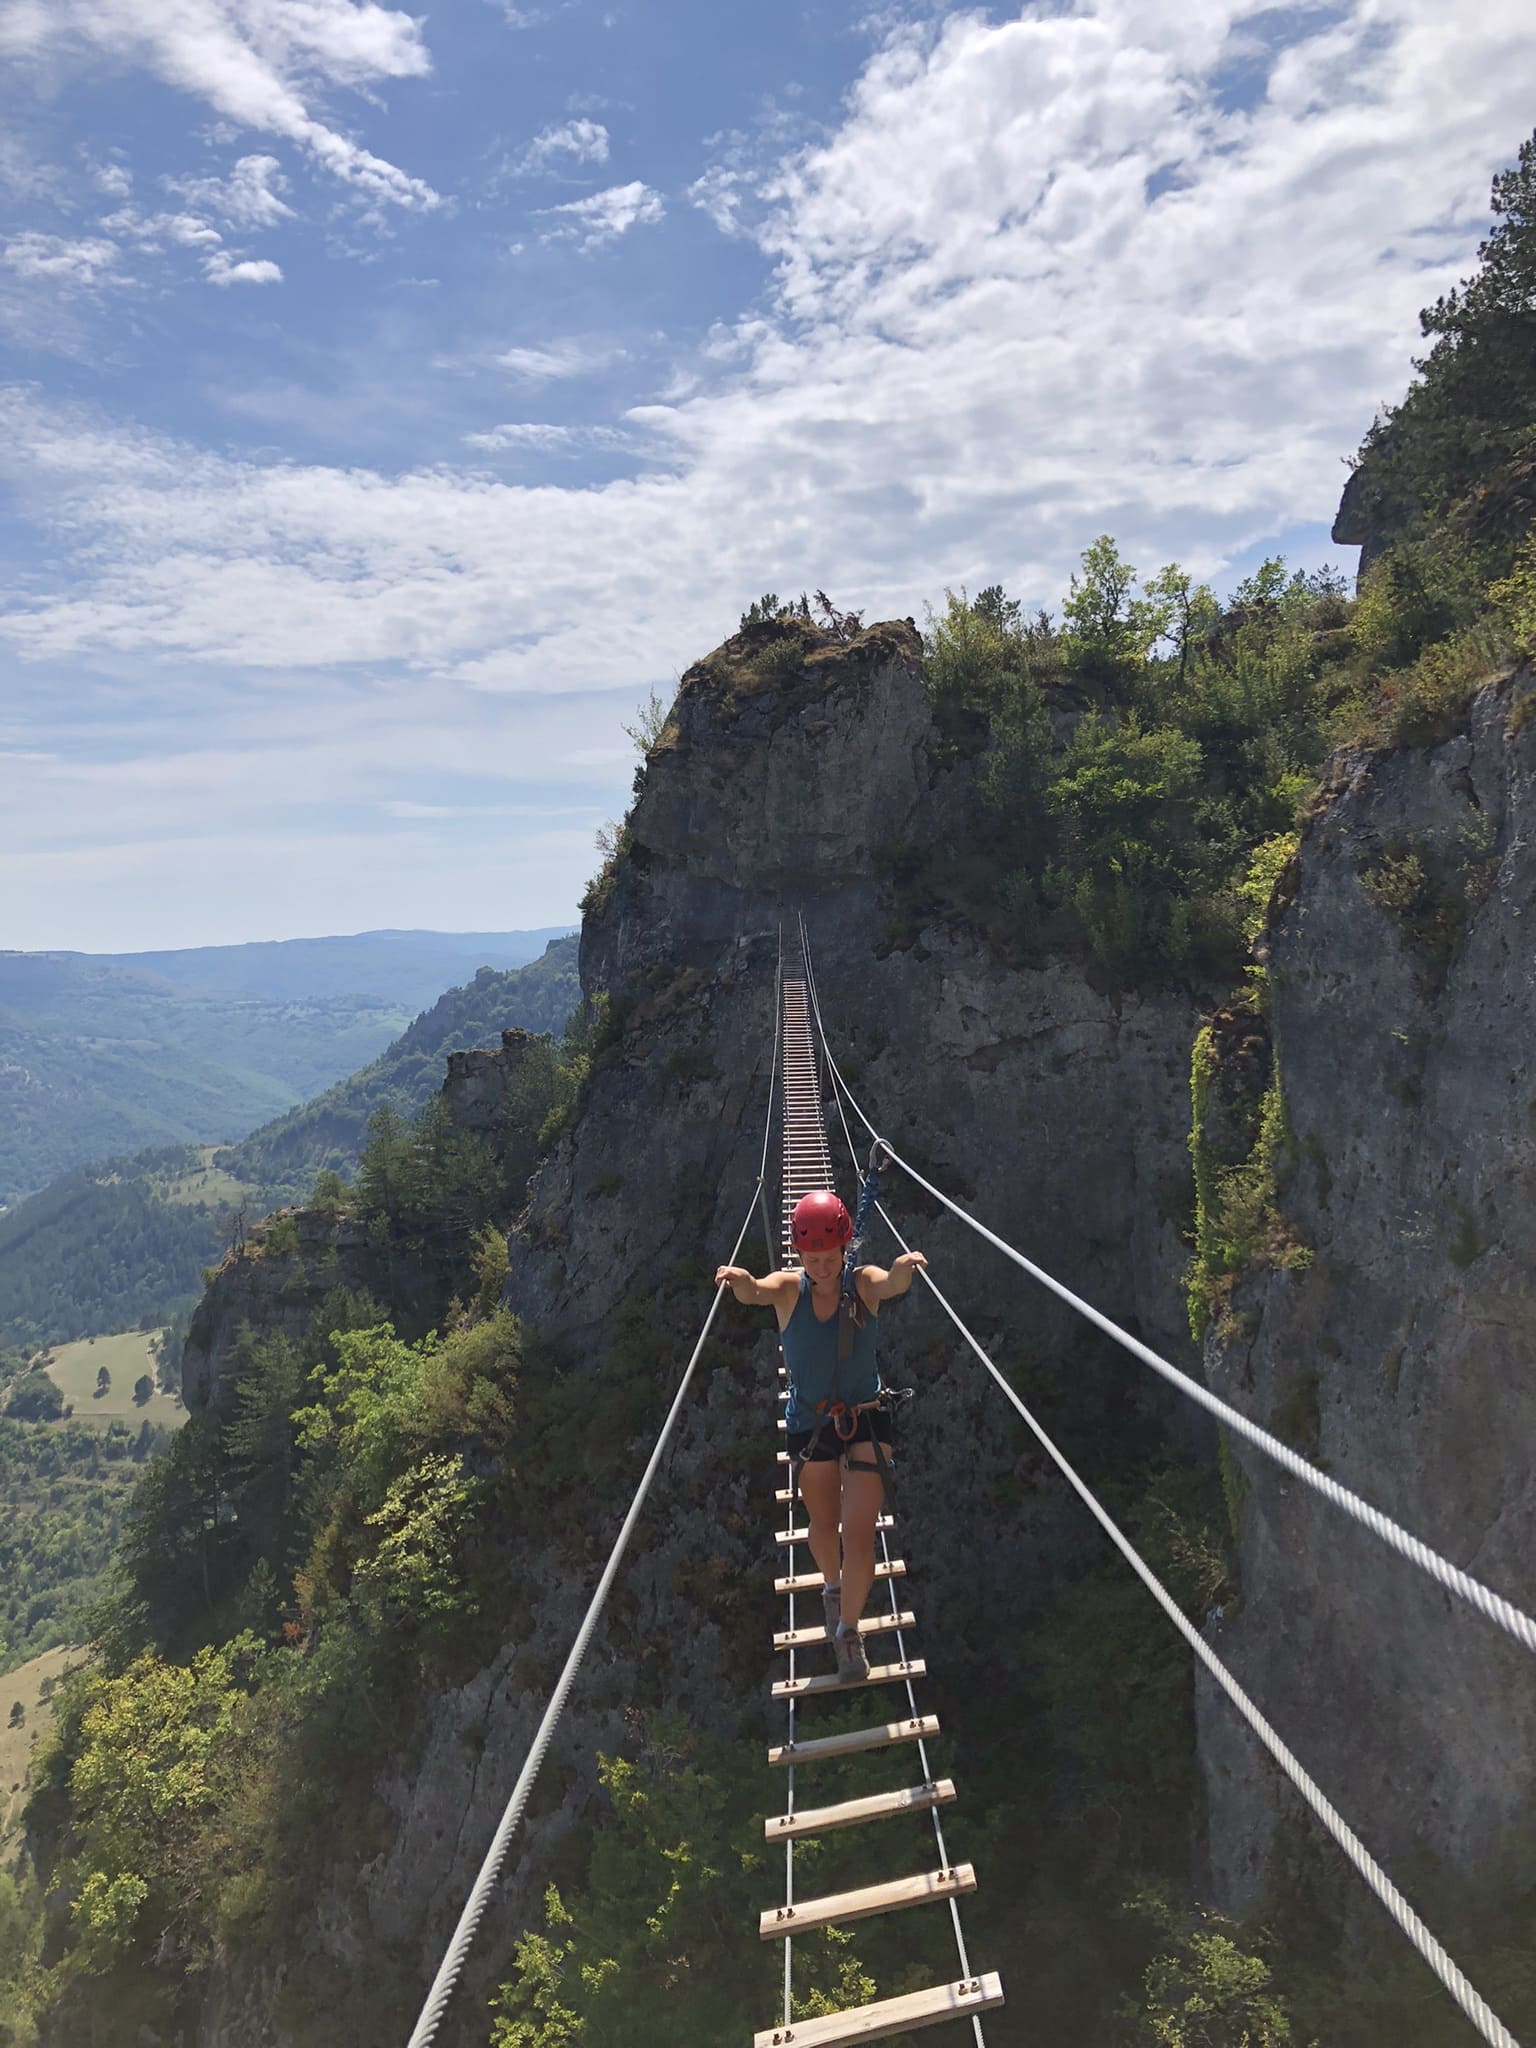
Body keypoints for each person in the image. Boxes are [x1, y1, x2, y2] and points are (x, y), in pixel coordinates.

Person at [716, 1190, 927, 1681]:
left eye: (830, 1258)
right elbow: (757, 1291)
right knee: (823, 1521)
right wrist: (740, 1281)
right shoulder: (790, 1290)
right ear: (799, 1256)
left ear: (845, 1249)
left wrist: (902, 1272)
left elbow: (888, 1283)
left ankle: (848, 1631)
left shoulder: (862, 1283)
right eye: (813, 1260)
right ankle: (832, 1585)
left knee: (858, 1531)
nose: (823, 1268)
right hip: (812, 1423)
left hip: (866, 1416)